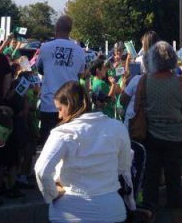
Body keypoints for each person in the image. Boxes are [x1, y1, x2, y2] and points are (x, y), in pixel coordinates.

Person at [34, 81, 133, 223]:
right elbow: (123, 166)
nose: (59, 116)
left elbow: (41, 170)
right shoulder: (117, 127)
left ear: (69, 104)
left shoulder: (63, 133)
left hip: (71, 211)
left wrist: (53, 193)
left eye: (60, 109)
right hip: (111, 210)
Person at [140, 42, 182, 223]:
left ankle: (149, 214)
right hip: (175, 137)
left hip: (151, 135)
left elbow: (136, 106)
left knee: (151, 178)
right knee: (173, 179)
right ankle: (176, 215)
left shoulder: (145, 80)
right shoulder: (180, 82)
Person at [36, 15, 86, 143]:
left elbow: (40, 69)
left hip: (49, 104)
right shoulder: (79, 51)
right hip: (70, 105)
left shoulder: (45, 47)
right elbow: (79, 75)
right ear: (70, 30)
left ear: (56, 28)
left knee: (47, 146)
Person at [119, 30, 160, 127]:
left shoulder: (139, 63)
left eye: (143, 44)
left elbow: (124, 98)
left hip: (135, 117)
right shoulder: (163, 61)